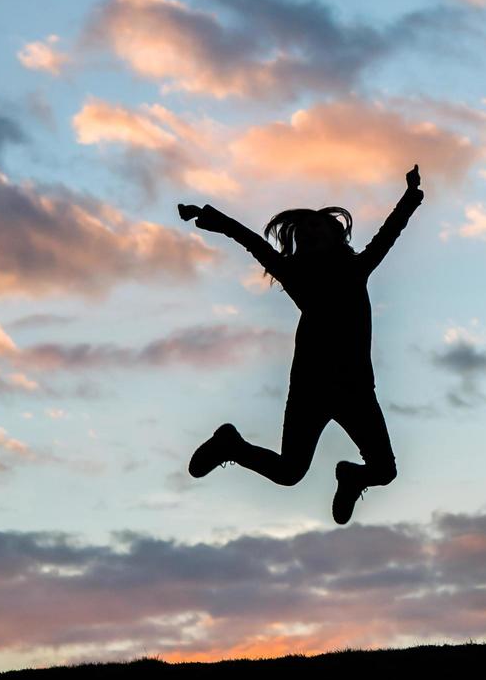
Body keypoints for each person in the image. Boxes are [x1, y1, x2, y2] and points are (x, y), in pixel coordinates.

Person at [179, 165, 424, 524]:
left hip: (355, 389)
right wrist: (212, 218)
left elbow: (390, 232)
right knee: (289, 473)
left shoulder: (357, 267)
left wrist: (411, 195)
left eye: (316, 227)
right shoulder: (295, 275)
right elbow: (254, 244)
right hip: (310, 389)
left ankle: (351, 477)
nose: (309, 233)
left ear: (335, 235)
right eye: (303, 232)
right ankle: (230, 445)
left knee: (385, 471)